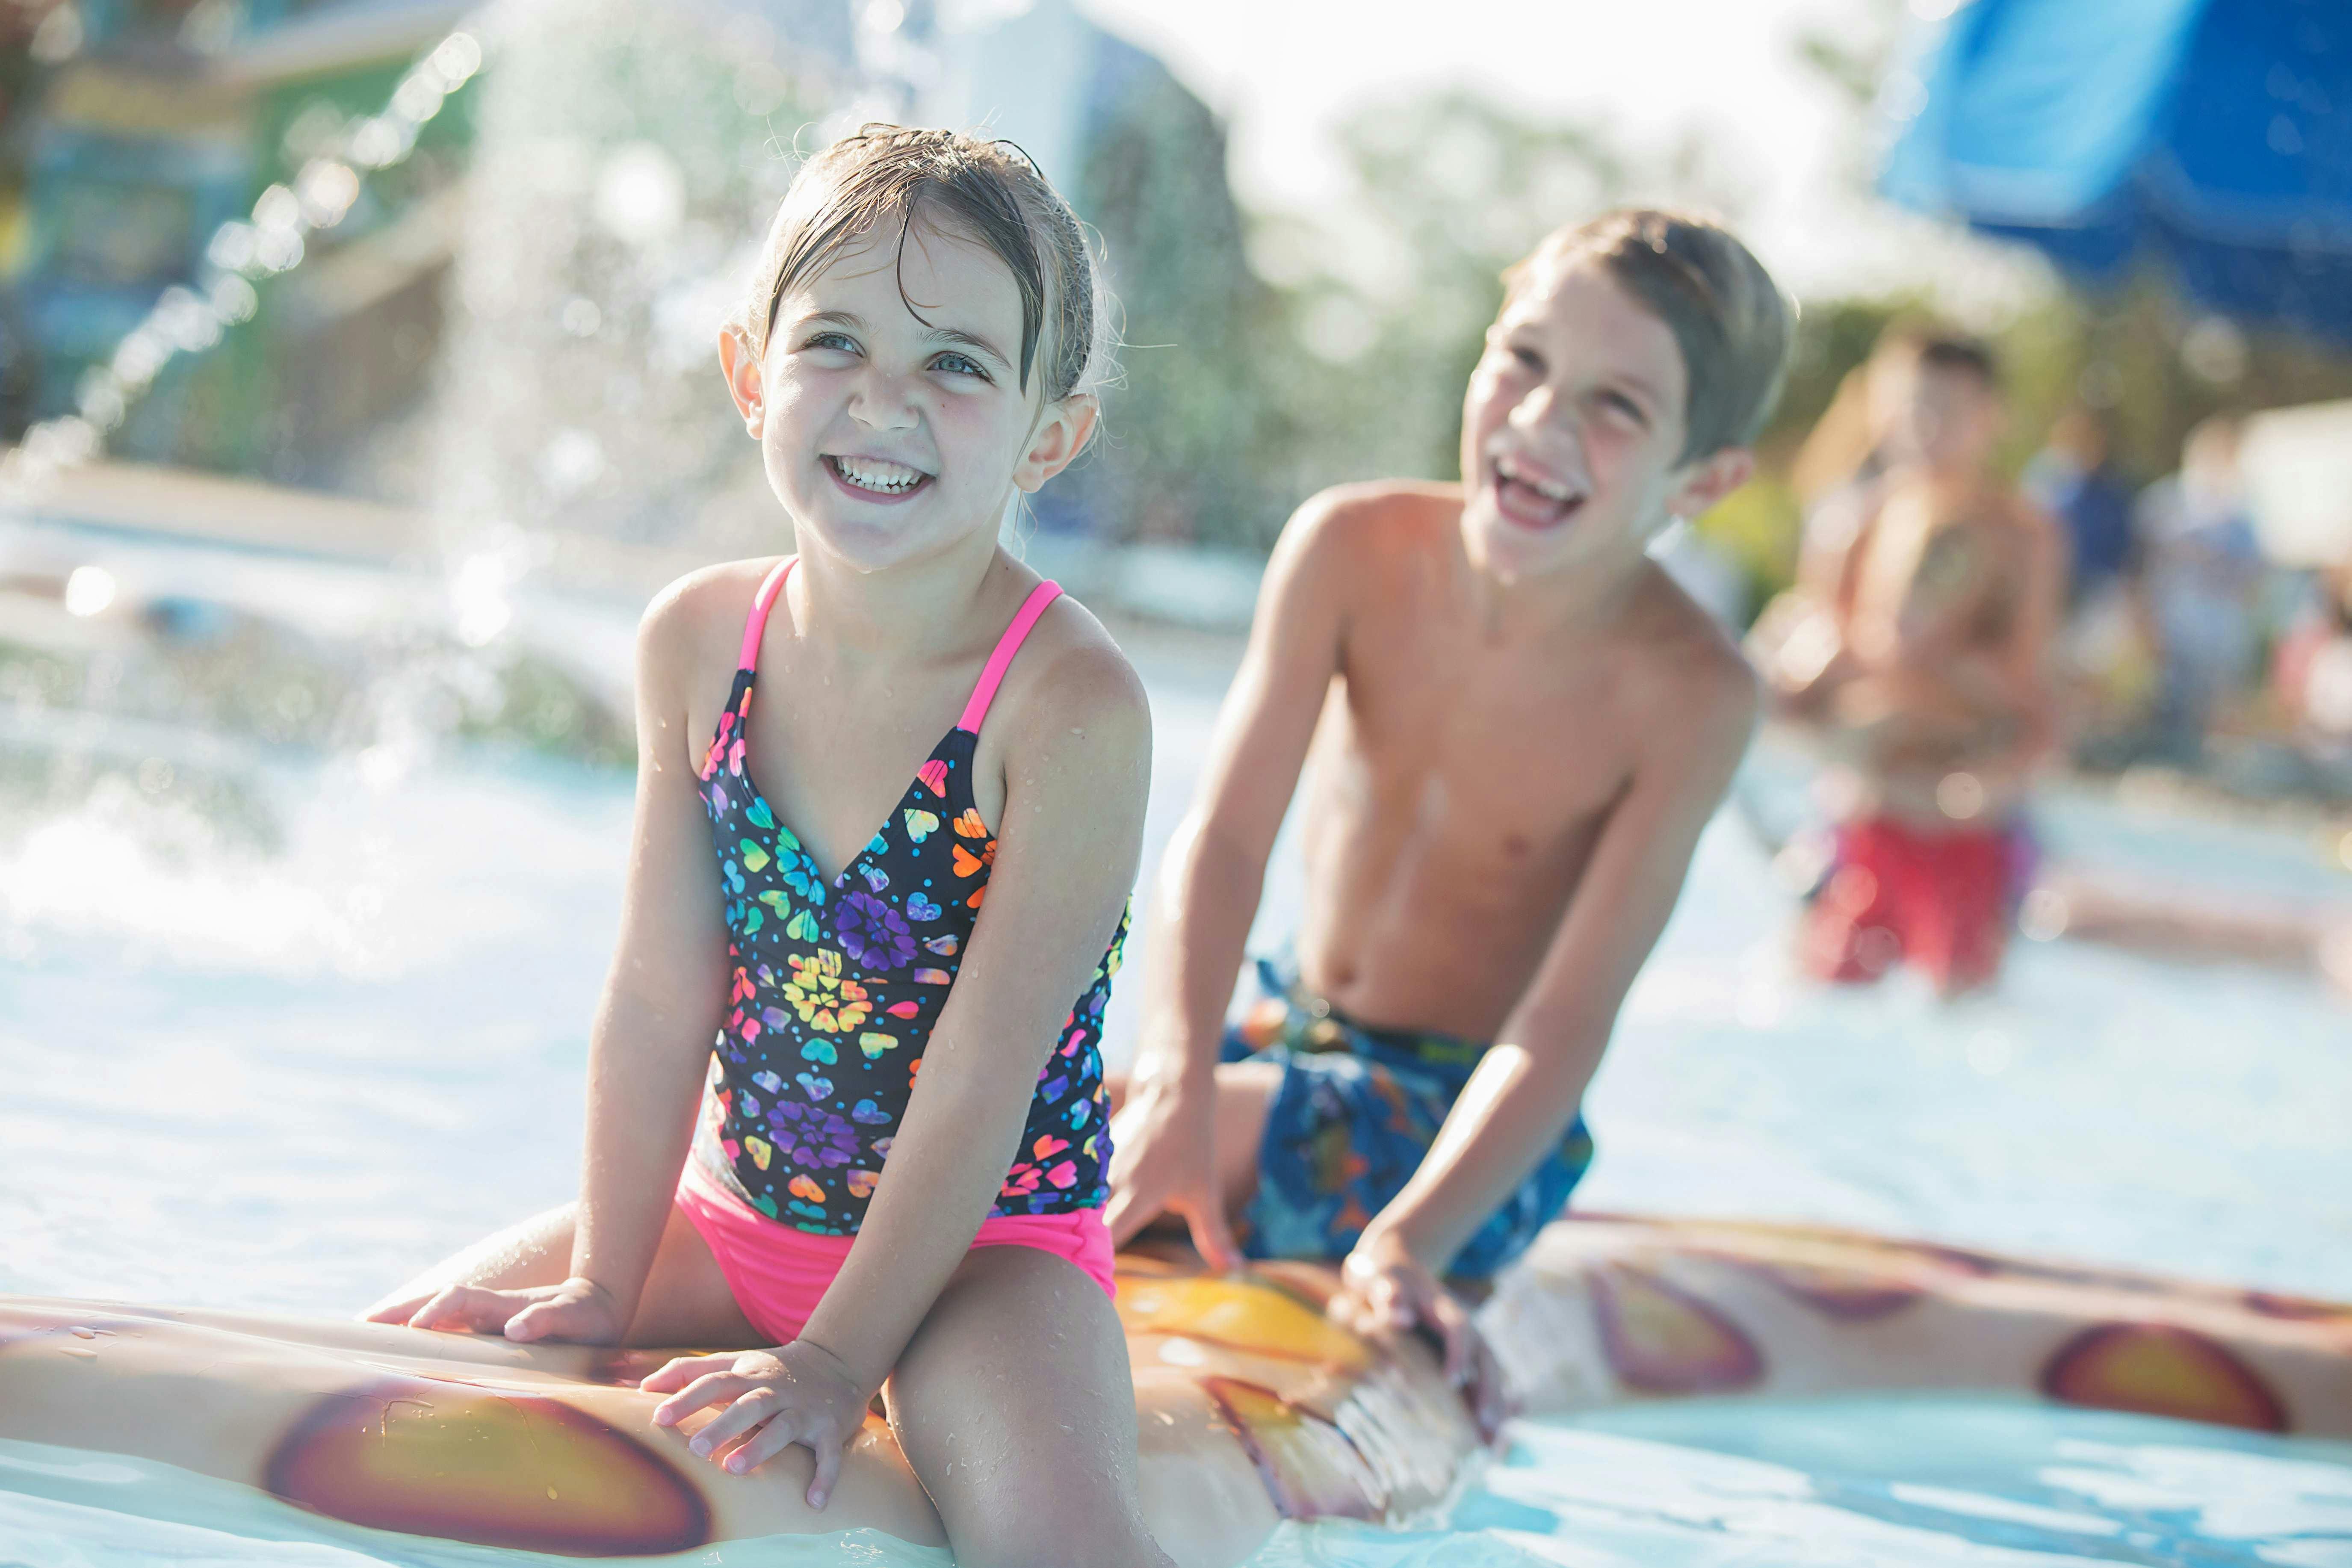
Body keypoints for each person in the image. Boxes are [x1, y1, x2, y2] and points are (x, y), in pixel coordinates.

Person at [360, 127, 1169, 1568]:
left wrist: (838, 1357)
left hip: (990, 1260)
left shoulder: (1066, 703)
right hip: (729, 1226)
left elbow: (984, 1074)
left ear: (1051, 432)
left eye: (959, 366)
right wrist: (609, 1277)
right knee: (382, 1374)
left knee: (1060, 1548)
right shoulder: (696, 640)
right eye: (837, 342)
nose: (882, 403)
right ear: (751, 376)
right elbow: (661, 994)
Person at [1104, 209, 1792, 1433]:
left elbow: (1563, 1021)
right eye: (1523, 360)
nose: (1539, 424)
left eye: (1615, 406)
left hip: (1455, 1120)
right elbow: (1221, 839)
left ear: (1706, 479)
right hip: (1280, 1017)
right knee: (1004, 1103)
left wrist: (1410, 1242)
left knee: (1043, 1171)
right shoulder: (1350, 547)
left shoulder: (1687, 693)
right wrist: (1175, 1073)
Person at [1750, 333, 2062, 996]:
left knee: (1961, 1002)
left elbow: (2027, 686)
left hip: (1966, 811)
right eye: (1909, 408)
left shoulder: (2021, 534)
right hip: (1867, 807)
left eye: (1947, 410)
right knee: (1826, 986)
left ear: (1992, 418)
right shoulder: (1853, 524)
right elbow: (1807, 671)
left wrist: (1935, 670)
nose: (1925, 428)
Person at [2135, 414, 2268, 767]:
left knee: (2213, 709)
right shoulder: (2165, 503)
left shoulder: (2242, 514)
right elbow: (2142, 568)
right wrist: (2144, 621)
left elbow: (2252, 576)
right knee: (2168, 704)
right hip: (2173, 622)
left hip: (2220, 631)